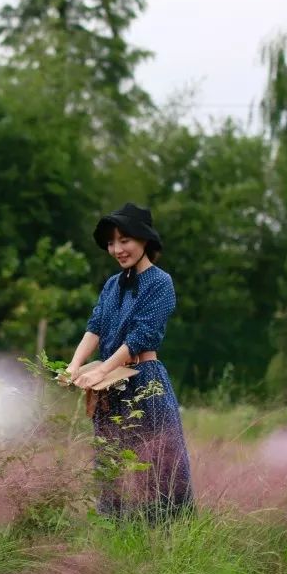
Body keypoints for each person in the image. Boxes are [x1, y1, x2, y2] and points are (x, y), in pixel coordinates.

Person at [64, 202, 194, 520]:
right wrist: (74, 366)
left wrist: (103, 369)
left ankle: (164, 540)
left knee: (154, 463)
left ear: (144, 240)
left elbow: (140, 338)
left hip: (143, 381)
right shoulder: (112, 285)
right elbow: (95, 327)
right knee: (112, 465)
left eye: (125, 240)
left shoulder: (161, 283)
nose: (117, 249)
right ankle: (119, 537)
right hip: (109, 387)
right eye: (111, 242)